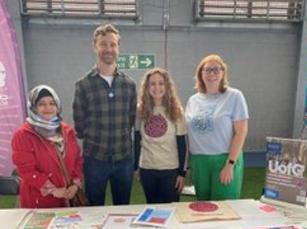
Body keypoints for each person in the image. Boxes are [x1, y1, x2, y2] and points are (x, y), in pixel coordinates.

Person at [73, 23, 137, 206]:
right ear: (95, 47)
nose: (108, 49)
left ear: (118, 47)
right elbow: (80, 126)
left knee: (123, 208)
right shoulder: (83, 85)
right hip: (95, 160)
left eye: (112, 44)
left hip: (124, 158)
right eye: (103, 44)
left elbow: (132, 119)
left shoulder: (129, 85)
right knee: (93, 209)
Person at [185, 54, 249, 201]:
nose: (211, 73)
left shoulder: (234, 96)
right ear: (200, 74)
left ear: (223, 72)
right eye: (207, 70)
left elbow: (241, 132)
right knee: (203, 205)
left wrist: (230, 164)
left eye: (216, 69)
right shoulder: (193, 100)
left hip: (224, 159)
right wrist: (188, 164)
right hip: (199, 161)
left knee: (224, 207)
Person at [11, 85, 83, 208]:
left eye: (52, 103)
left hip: (67, 198)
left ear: (58, 106)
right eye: (41, 104)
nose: (48, 108)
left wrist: (75, 184)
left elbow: (77, 160)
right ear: (34, 107)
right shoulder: (23, 135)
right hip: (38, 200)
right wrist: (53, 190)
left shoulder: (67, 131)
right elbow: (26, 170)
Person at [134, 68, 187, 204]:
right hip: (147, 170)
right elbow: (137, 140)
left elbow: (182, 144)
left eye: (161, 83)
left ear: (167, 86)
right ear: (147, 87)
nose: (157, 87)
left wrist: (181, 173)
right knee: (152, 210)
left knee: (171, 211)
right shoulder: (140, 110)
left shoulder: (176, 111)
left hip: (170, 170)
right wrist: (136, 167)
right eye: (152, 84)